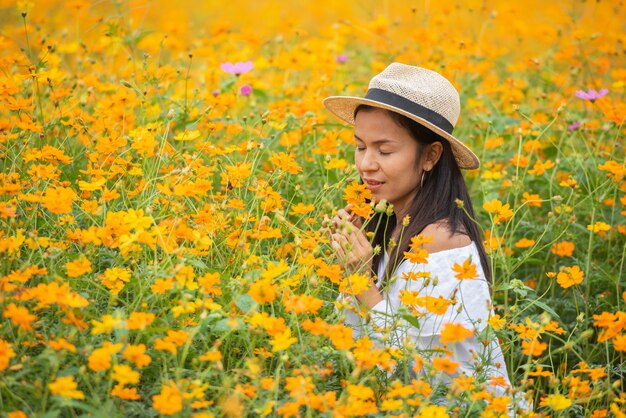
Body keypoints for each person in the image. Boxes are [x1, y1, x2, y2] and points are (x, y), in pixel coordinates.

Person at [323, 63, 527, 412]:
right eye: (360, 147)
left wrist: (360, 278)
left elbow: (419, 375)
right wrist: (343, 264)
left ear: (431, 155)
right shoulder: (387, 222)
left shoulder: (442, 242)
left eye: (384, 151)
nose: (366, 165)